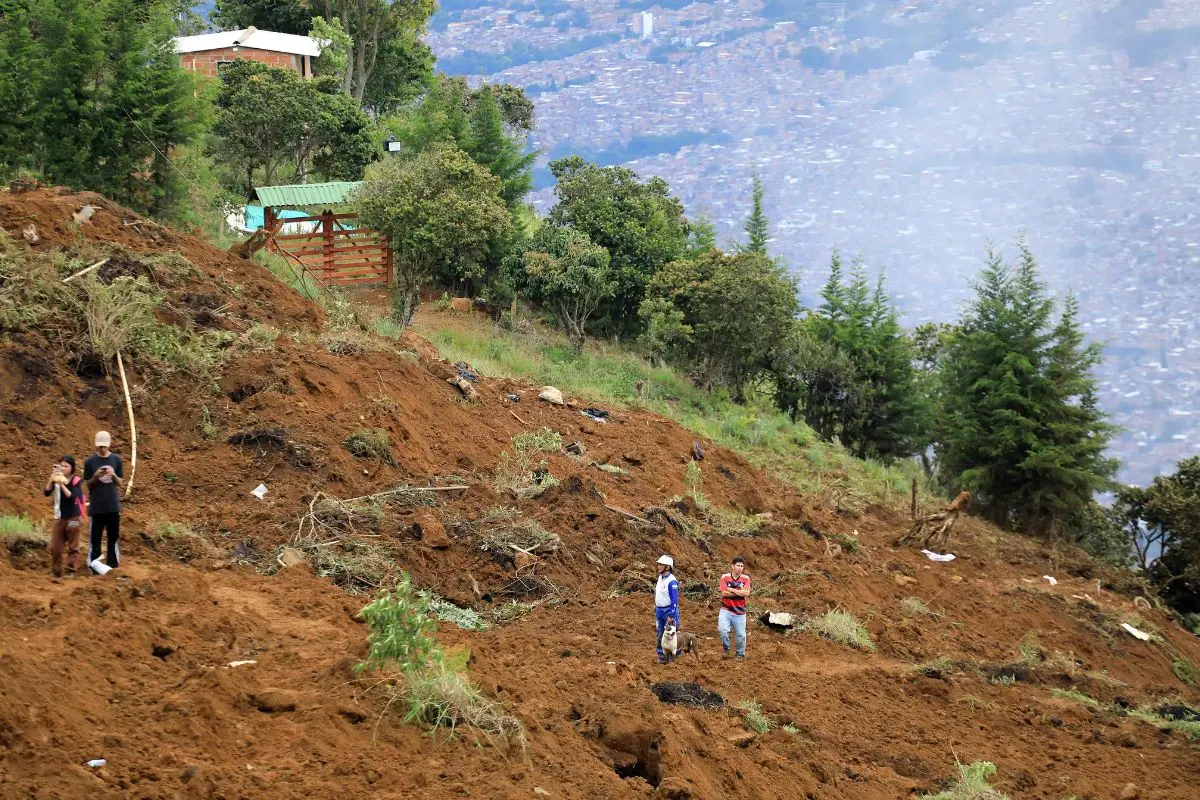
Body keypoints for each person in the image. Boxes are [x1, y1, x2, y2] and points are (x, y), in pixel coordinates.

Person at [84, 431, 124, 573]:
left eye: (104, 446)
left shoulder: (116, 460)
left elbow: (120, 482)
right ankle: (94, 568)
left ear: (109, 445)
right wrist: (96, 476)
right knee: (95, 540)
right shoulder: (90, 462)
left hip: (112, 506)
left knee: (113, 539)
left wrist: (112, 474)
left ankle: (113, 567)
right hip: (97, 507)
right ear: (96, 445)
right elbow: (88, 485)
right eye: (100, 446)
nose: (102, 449)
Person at [43, 455, 86, 577]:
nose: (63, 468)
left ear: (72, 468)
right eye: (61, 466)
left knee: (73, 546)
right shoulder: (56, 478)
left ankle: (70, 570)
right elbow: (46, 492)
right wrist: (52, 478)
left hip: (73, 517)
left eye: (66, 466)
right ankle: (56, 571)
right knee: (55, 547)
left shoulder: (76, 480)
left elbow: (72, 497)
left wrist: (62, 484)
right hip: (59, 516)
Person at [718, 555, 751, 658]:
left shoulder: (746, 578)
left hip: (740, 612)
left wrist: (731, 589)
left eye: (742, 566)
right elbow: (724, 593)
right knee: (723, 630)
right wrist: (739, 591)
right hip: (726, 609)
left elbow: (746, 593)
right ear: (732, 566)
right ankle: (726, 649)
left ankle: (740, 655)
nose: (740, 568)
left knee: (741, 635)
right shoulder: (724, 577)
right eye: (738, 565)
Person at [654, 554, 680, 664]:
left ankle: (675, 657)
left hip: (668, 611)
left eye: (661, 564)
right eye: (658, 564)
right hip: (659, 610)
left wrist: (671, 615)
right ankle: (662, 656)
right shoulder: (660, 577)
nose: (658, 566)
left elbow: (674, 600)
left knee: (671, 634)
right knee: (660, 633)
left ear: (668, 567)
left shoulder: (672, 581)